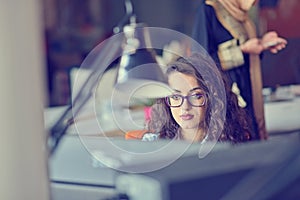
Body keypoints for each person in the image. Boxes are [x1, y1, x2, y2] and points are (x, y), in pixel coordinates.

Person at [192, 0, 287, 140]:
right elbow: (201, 61)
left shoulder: (243, 16)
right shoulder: (209, 11)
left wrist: (261, 43)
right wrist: (242, 50)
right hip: (229, 97)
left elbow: (247, 50)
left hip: (249, 93)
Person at [140, 52, 253, 144]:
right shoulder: (152, 144)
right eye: (175, 96)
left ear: (213, 99)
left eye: (196, 96)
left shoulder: (231, 145)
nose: (185, 107)